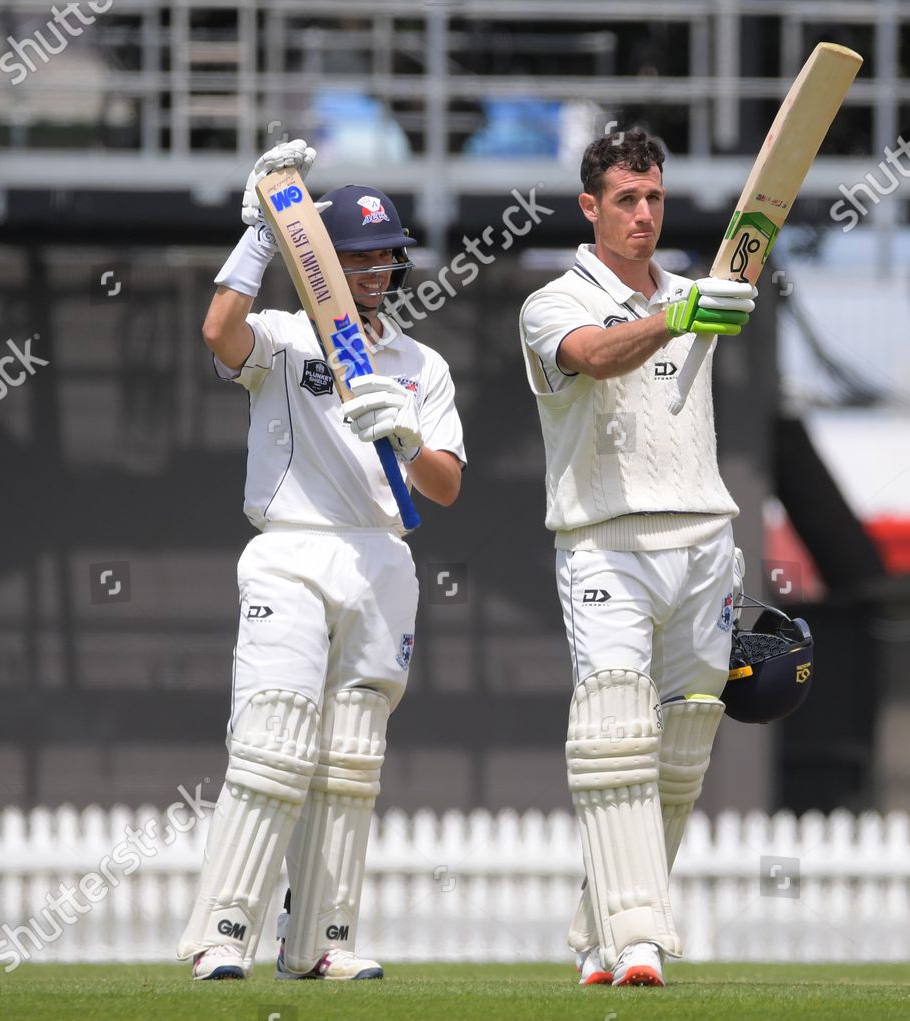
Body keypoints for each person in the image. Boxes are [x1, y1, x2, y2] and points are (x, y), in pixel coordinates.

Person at [177, 139, 466, 981]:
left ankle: (318, 943)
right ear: (323, 264)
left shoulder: (422, 365)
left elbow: (444, 486)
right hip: (294, 548)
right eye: (358, 257)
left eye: (386, 256)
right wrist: (264, 235)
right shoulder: (284, 337)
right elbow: (219, 332)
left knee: (350, 764)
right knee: (273, 745)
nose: (374, 270)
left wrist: (407, 438)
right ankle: (222, 931)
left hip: (383, 559)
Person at [517, 128, 758, 988]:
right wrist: (678, 316)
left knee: (684, 743)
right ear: (591, 206)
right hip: (605, 543)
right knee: (616, 730)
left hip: (704, 539)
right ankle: (642, 935)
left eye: (654, 197)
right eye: (626, 198)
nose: (644, 214)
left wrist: (703, 303)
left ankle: (597, 928)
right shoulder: (553, 303)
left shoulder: (700, 292)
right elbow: (592, 356)